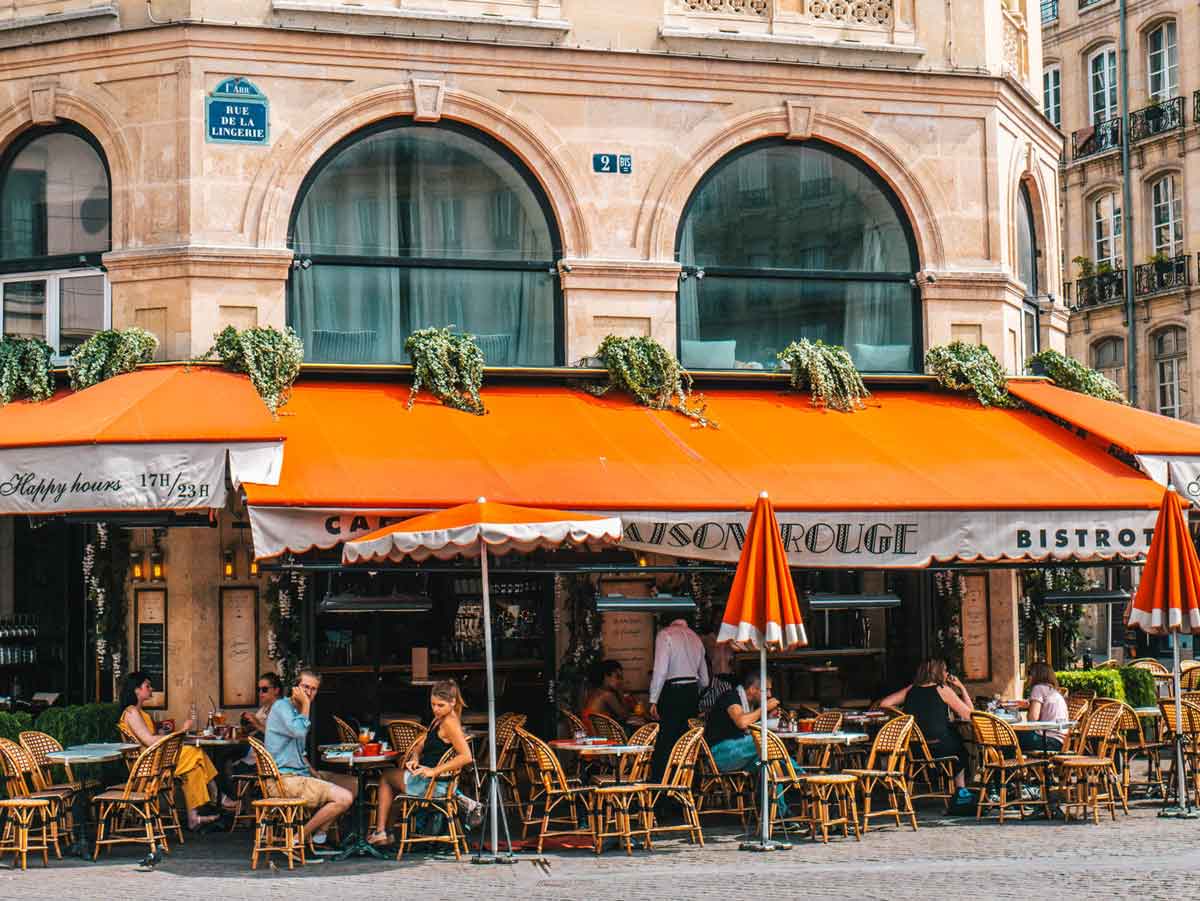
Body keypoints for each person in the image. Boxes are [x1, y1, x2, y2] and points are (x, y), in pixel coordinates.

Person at [118, 671, 239, 831]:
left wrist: (165, 734)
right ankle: (217, 796)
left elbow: (151, 738)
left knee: (193, 766)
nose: (151, 689)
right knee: (195, 753)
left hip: (154, 759)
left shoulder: (140, 712)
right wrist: (180, 732)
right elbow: (148, 741)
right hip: (148, 765)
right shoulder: (131, 712)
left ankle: (194, 818)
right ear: (136, 690)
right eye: (147, 686)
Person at [368, 679, 483, 846]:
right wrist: (414, 758)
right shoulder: (438, 719)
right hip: (427, 779)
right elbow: (421, 744)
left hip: (433, 784)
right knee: (394, 788)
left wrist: (434, 771)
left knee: (386, 777)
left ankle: (381, 832)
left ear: (452, 702)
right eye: (433, 704)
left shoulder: (450, 723)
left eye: (440, 705)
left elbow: (466, 756)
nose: (435, 709)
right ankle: (388, 833)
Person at [265, 668, 355, 844]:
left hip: (301, 775)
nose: (309, 692)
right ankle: (300, 837)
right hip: (284, 781)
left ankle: (321, 833)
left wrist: (313, 772)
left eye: (313, 689)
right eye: (305, 687)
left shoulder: (298, 712)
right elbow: (299, 731)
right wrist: (306, 704)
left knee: (353, 784)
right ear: (295, 687)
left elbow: (300, 753)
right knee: (344, 797)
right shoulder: (282, 707)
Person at [878, 658, 974, 804]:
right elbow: (970, 715)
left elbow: (884, 704)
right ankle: (960, 790)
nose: (947, 673)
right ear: (938, 672)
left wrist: (901, 716)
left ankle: (957, 790)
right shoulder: (942, 690)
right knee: (962, 747)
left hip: (914, 748)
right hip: (939, 748)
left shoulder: (911, 689)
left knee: (955, 739)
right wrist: (962, 688)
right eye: (945, 670)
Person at [703, 670, 796, 815]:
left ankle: (779, 814)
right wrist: (763, 709)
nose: (770, 695)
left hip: (744, 759)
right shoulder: (731, 696)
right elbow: (742, 722)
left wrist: (766, 715)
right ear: (752, 689)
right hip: (721, 756)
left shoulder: (751, 705)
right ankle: (803, 779)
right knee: (764, 741)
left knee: (769, 762)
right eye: (767, 690)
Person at [649, 614, 708, 781]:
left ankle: (662, 788)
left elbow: (660, 670)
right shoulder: (696, 638)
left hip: (672, 692)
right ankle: (686, 785)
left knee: (666, 742)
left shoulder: (665, 634)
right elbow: (705, 680)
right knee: (687, 742)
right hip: (691, 693)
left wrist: (653, 699)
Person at [228, 672, 283, 782]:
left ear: (276, 690)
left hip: (267, 757)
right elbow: (252, 728)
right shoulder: (265, 708)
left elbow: (278, 738)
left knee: (225, 758)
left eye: (264, 689)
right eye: (259, 690)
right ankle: (230, 796)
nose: (260, 693)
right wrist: (246, 723)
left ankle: (232, 796)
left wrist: (257, 724)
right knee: (222, 755)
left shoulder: (282, 709)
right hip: (255, 749)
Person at [1019, 662, 1068, 753]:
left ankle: (1009, 765)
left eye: (1029, 673)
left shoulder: (1038, 688)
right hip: (1061, 741)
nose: (1027, 677)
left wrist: (1030, 708)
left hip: (1048, 740)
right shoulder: (1053, 690)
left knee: (1009, 736)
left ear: (1037, 675)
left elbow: (1033, 718)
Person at [581, 660, 629, 731]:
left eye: (621, 678)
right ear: (606, 677)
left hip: (589, 735)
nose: (621, 681)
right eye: (618, 677)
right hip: (600, 737)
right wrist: (620, 692)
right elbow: (624, 715)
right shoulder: (607, 695)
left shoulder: (592, 691)